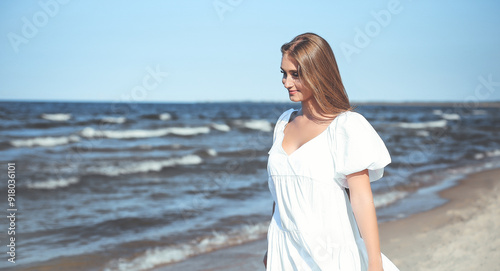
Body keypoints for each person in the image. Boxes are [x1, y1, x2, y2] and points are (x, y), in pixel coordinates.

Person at [262, 33, 399, 271]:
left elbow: (362, 199)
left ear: (318, 73)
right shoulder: (283, 124)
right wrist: (270, 248)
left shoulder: (346, 126)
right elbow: (280, 194)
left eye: (296, 74)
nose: (286, 82)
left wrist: (374, 263)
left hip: (330, 254)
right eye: (283, 73)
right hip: (285, 250)